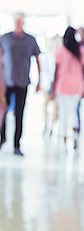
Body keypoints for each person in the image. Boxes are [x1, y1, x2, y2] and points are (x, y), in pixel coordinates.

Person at [0, 12, 41, 156]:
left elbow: (38, 59)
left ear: (23, 23)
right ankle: (2, 138)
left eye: (20, 22)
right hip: (6, 82)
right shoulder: (4, 38)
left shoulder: (30, 40)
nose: (18, 24)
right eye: (16, 21)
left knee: (19, 114)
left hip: (22, 82)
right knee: (2, 112)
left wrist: (40, 80)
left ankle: (17, 145)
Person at [52, 26, 84, 149]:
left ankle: (64, 137)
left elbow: (56, 70)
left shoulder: (61, 50)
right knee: (73, 112)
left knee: (63, 112)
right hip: (77, 85)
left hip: (63, 85)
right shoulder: (81, 50)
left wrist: (53, 85)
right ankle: (75, 135)